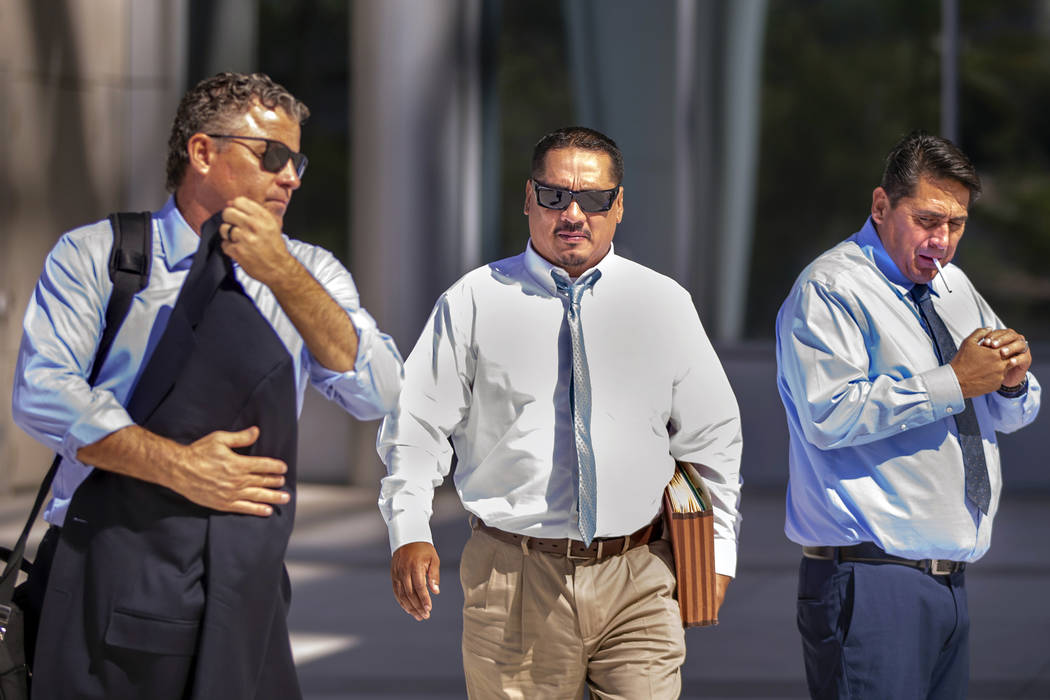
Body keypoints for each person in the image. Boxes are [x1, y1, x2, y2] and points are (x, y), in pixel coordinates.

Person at [12, 72, 403, 699]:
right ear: (202, 152)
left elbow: (379, 393)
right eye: (271, 156)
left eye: (296, 160)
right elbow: (43, 392)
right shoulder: (99, 256)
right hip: (107, 565)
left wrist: (282, 274)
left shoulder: (311, 271)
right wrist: (178, 466)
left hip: (246, 581)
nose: (291, 177)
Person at [377, 126, 742, 699]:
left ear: (618, 206)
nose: (573, 212)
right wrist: (408, 530)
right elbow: (416, 426)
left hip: (640, 576)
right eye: (554, 196)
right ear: (528, 199)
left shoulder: (663, 302)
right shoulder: (473, 300)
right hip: (514, 579)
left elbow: (712, 437)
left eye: (594, 199)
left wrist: (719, 554)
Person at [776, 130, 1041, 699]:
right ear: (880, 206)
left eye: (956, 224)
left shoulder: (954, 286)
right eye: (926, 220)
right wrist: (954, 382)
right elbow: (830, 414)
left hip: (947, 584)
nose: (941, 241)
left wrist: (1013, 383)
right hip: (869, 583)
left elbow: (1009, 415)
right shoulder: (829, 289)